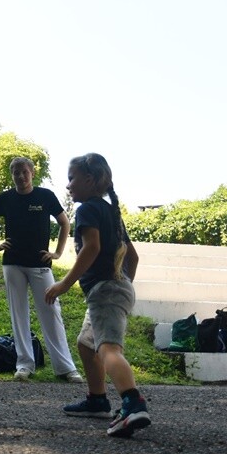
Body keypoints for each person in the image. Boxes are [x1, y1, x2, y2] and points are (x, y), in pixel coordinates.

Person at [45, 153, 149, 438]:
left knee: (108, 350)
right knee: (86, 344)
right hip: (113, 288)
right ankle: (98, 399)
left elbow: (91, 247)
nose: (68, 185)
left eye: (72, 178)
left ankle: (133, 403)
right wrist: (123, 284)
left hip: (106, 290)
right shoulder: (111, 212)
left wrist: (64, 284)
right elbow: (133, 257)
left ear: (89, 180)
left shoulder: (88, 209)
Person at [0, 156, 83, 383]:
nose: (20, 176)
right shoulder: (5, 198)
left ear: (32, 173)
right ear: (12, 175)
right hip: (13, 264)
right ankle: (24, 365)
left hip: (40, 264)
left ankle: (65, 367)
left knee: (51, 312)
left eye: (24, 172)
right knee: (18, 315)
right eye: (16, 172)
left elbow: (65, 223)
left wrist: (57, 252)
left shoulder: (45, 196)